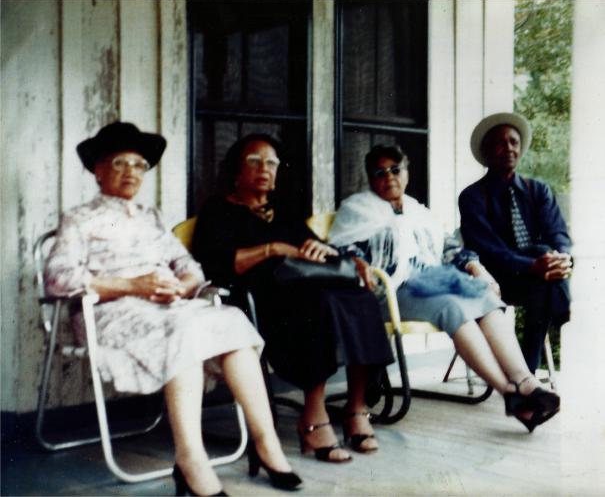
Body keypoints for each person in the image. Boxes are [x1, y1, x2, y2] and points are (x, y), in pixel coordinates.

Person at [44, 122, 302, 496]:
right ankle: (191, 460)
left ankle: (267, 444)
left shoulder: (150, 218)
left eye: (139, 165)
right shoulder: (80, 219)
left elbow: (189, 269)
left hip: (166, 309)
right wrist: (134, 285)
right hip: (110, 311)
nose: (132, 172)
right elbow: (58, 278)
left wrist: (179, 287)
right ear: (98, 170)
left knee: (231, 320)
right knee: (185, 332)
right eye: (120, 163)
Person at [328, 144, 560, 432]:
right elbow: (341, 248)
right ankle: (508, 393)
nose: (389, 176)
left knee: (483, 297)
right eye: (380, 172)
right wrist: (358, 263)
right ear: (370, 178)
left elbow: (449, 247)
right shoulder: (357, 208)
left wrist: (478, 269)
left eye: (395, 169)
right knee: (452, 307)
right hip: (387, 291)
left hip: (433, 283)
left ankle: (526, 382)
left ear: (407, 172)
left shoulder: (417, 210)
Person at [193, 134, 394, 462]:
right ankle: (313, 419)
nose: (264, 169)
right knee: (316, 304)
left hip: (299, 291)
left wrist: (329, 251)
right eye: (254, 161)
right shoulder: (218, 210)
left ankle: (356, 408)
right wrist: (272, 249)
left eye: (271, 162)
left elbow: (316, 248)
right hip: (254, 299)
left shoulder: (283, 211)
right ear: (235, 170)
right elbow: (215, 264)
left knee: (361, 298)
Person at [459, 112, 572, 373]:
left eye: (513, 142)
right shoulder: (473, 196)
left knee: (544, 270)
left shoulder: (538, 191)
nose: (508, 148)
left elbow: (559, 235)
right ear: (486, 152)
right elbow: (489, 250)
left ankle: (526, 370)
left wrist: (563, 259)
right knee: (542, 259)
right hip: (495, 278)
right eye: (500, 143)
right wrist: (535, 264)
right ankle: (564, 315)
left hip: (538, 278)